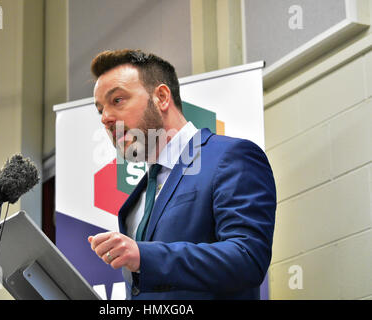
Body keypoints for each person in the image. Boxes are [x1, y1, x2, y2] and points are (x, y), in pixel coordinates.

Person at [87, 49, 276, 299]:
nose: (106, 118)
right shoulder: (136, 200)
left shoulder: (230, 156)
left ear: (162, 98)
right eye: (100, 110)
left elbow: (247, 257)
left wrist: (144, 257)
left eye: (117, 100)